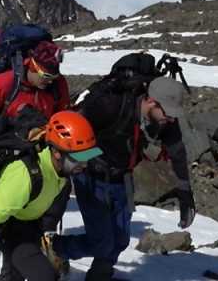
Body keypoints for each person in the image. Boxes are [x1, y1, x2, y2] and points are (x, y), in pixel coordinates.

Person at [52, 77, 197, 281]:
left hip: (122, 178)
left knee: (120, 240)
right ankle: (54, 249)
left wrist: (185, 195)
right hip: (91, 175)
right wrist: (63, 170)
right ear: (152, 102)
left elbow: (177, 152)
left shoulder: (163, 120)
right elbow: (72, 128)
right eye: (168, 113)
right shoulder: (112, 107)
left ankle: (99, 277)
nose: (172, 120)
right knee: (101, 242)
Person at [0, 111, 103, 281]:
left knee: (17, 275)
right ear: (57, 152)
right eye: (79, 158)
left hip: (28, 225)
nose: (84, 165)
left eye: (87, 158)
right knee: (44, 276)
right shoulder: (25, 176)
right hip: (7, 227)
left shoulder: (62, 173)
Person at [0, 40, 68, 134]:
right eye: (46, 76)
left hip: (46, 134)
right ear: (33, 67)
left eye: (54, 77)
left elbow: (63, 112)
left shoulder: (58, 83)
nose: (50, 81)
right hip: (8, 135)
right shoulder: (4, 82)